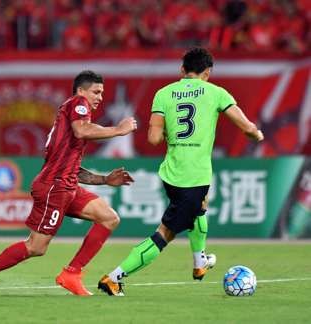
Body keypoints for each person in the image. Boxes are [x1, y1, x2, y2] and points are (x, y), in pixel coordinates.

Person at [98, 47, 264, 296]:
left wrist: (169, 133)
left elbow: (153, 139)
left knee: (201, 206)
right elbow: (245, 125)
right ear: (207, 73)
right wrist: (257, 134)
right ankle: (113, 278)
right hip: (193, 174)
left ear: (182, 70)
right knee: (164, 234)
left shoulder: (163, 94)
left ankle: (200, 262)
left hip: (173, 173)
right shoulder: (216, 93)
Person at [0, 70, 138, 296]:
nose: (100, 97)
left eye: (102, 93)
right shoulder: (77, 104)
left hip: (66, 185)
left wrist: (104, 180)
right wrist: (119, 130)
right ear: (81, 91)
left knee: (109, 218)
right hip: (55, 187)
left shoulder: (69, 122)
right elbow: (83, 130)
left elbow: (73, 167)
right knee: (36, 247)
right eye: (96, 92)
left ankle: (72, 273)